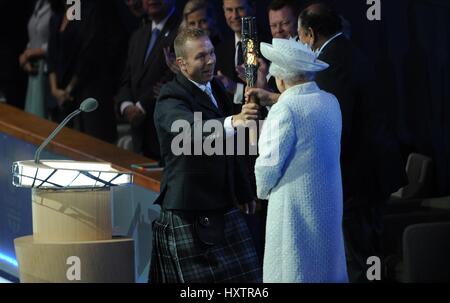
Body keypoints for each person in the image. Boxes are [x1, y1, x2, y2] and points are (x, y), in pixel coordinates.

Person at [248, 2, 407, 282]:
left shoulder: (334, 62)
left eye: (298, 34)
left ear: (309, 33)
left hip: (359, 181)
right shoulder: (344, 52)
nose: (297, 40)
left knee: (359, 260)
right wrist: (276, 99)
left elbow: (317, 121)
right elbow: (313, 104)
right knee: (359, 257)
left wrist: (279, 103)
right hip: (368, 174)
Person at [151, 28, 262, 283]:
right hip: (189, 208)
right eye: (201, 56)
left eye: (211, 52)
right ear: (181, 64)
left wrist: (244, 190)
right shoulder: (170, 97)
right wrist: (233, 121)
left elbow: (230, 146)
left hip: (222, 203)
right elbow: (188, 130)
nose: (210, 60)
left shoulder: (214, 86)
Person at [254, 38, 348, 283]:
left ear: (281, 78)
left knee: (295, 269)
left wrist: (261, 191)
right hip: (327, 204)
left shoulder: (285, 109)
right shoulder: (330, 101)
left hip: (293, 209)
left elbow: (268, 164)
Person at [47, 0, 125, 143]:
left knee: (92, 147)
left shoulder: (91, 9)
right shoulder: (58, 13)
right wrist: (54, 89)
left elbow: (89, 53)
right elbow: (52, 55)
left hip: (90, 92)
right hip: (61, 96)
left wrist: (69, 89)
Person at [115, 0, 180, 160]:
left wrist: (142, 107)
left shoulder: (182, 33)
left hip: (165, 134)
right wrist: (126, 106)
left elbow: (171, 78)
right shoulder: (138, 35)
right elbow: (126, 79)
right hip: (138, 133)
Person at [20, 0, 52, 118]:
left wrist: (32, 52)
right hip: (34, 70)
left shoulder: (68, 4)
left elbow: (65, 40)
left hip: (49, 70)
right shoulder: (38, 3)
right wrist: (26, 55)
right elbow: (34, 34)